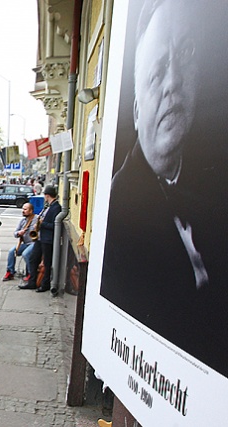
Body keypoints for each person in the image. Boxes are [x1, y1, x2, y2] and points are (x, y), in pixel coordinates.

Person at [100, 0, 228, 376]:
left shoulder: (210, 189)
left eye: (184, 55)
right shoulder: (120, 211)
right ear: (136, 113)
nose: (173, 81)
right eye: (157, 72)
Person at [25, 185, 61, 293]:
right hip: (40, 238)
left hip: (47, 239)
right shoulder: (48, 206)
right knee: (33, 258)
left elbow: (55, 226)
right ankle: (32, 282)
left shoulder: (56, 207)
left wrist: (42, 223)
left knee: (46, 262)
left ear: (47, 195)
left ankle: (45, 284)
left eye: (45, 195)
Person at [3, 203, 38, 282]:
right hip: (25, 243)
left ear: (31, 211)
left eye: (25, 209)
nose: (23, 211)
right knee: (12, 251)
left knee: (25, 254)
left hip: (34, 243)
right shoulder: (23, 221)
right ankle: (10, 272)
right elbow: (15, 233)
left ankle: (30, 273)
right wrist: (19, 233)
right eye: (23, 209)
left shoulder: (37, 219)